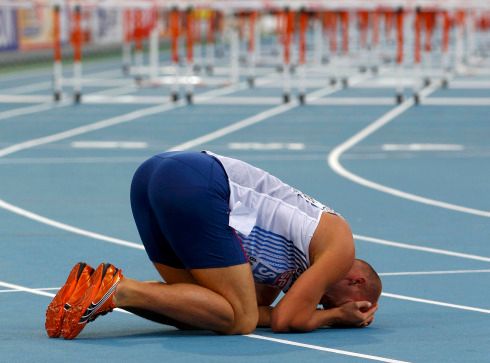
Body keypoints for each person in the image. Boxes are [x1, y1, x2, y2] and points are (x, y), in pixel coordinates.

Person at [45, 151, 381, 340]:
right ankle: (120, 290)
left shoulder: (289, 267)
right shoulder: (340, 247)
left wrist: (280, 311)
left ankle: (96, 291)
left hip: (156, 176)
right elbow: (285, 320)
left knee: (212, 312)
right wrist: (335, 316)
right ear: (356, 281)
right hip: (198, 184)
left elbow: (265, 309)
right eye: (327, 300)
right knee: (240, 319)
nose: (320, 302)